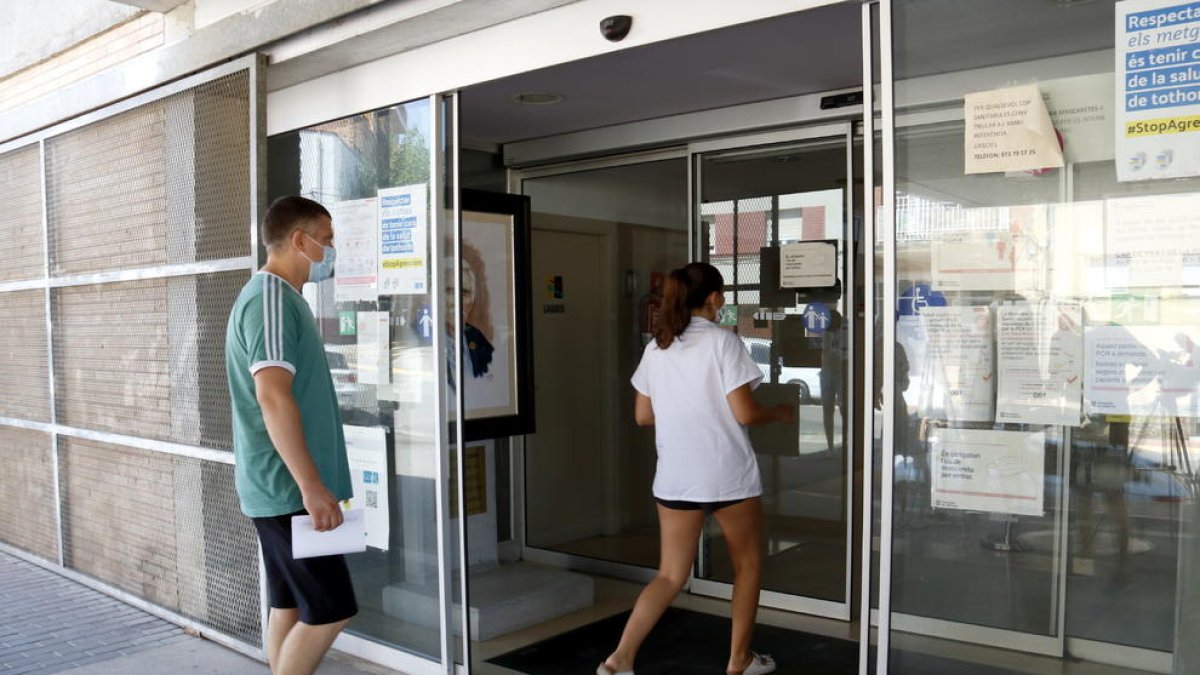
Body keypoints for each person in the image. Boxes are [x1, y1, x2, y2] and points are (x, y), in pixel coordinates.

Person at [599, 262, 793, 675]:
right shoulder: (724, 342)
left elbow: (643, 416)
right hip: (727, 475)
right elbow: (744, 412)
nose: (722, 300)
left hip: (675, 476)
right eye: (720, 293)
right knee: (748, 566)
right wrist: (776, 413)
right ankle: (739, 660)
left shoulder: (658, 347)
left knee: (669, 575)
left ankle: (620, 659)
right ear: (713, 298)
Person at [225, 195, 356, 675]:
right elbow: (273, 397)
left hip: (278, 488)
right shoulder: (271, 301)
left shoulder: (275, 299)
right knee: (330, 608)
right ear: (299, 240)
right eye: (326, 240)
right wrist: (311, 486)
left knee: (289, 604)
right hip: (288, 490)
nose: (330, 251)